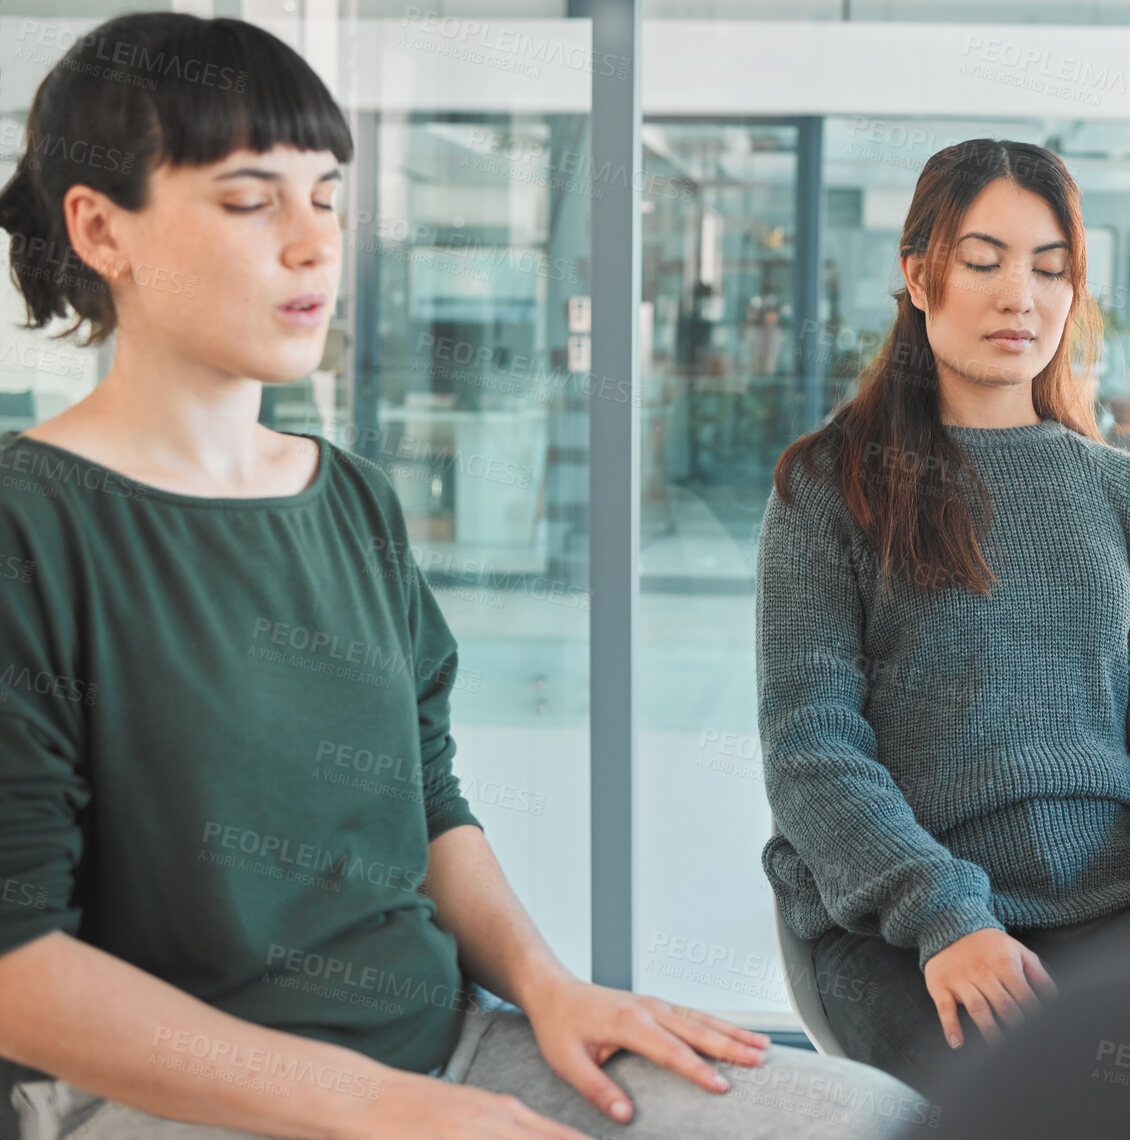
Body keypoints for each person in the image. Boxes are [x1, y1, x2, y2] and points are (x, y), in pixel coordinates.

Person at [0, 14, 916, 1140]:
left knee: (876, 1119)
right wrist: (384, 1111)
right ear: (100, 228)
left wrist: (549, 988)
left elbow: (428, 801)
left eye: (328, 196)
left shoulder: (350, 501)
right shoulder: (29, 527)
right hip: (166, 1097)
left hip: (442, 1049)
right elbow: (18, 971)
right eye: (250, 201)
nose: (313, 243)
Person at [756, 138, 1130, 1091]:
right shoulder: (829, 486)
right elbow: (811, 749)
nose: (1019, 297)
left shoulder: (1121, 492)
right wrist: (947, 914)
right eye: (982, 262)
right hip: (896, 918)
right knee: (1024, 1102)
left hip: (1109, 899)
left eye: (1050, 268)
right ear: (918, 276)